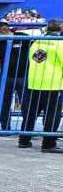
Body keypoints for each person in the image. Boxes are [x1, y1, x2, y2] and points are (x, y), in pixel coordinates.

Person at [19, 19, 63, 153]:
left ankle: (24, 140)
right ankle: (48, 144)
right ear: (60, 30)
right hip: (52, 84)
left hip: (34, 83)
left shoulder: (37, 42)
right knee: (52, 115)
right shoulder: (59, 43)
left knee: (31, 114)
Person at [0, 22, 30, 131]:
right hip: (5, 78)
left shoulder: (23, 37)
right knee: (3, 104)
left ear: (1, 31)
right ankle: (5, 128)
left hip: (23, 77)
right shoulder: (0, 44)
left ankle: (27, 129)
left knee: (26, 104)